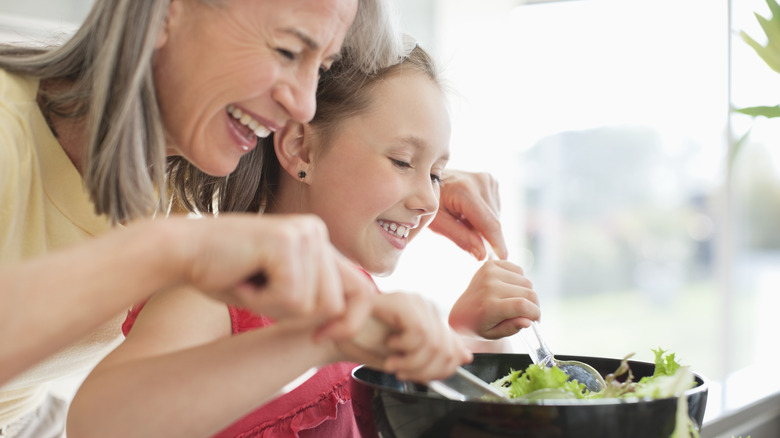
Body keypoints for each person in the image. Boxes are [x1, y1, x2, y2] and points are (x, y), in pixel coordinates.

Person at [0, 0, 508, 436]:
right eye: (288, 50)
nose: (301, 103)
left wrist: (414, 182)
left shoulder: (167, 161)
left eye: (321, 65)